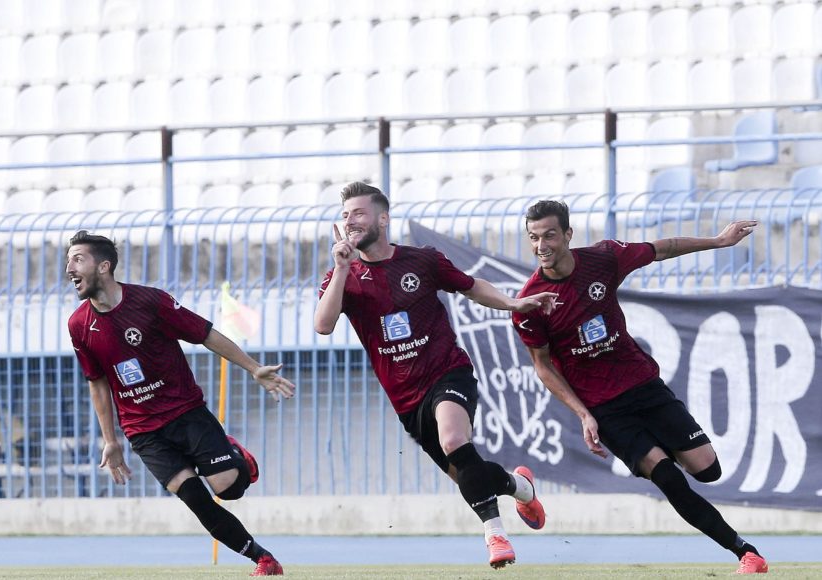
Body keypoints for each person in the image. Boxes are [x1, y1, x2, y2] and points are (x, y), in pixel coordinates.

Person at [512, 200, 768, 575]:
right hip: (604, 408)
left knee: (707, 470)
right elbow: (543, 365)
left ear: (568, 234)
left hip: (643, 385)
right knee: (668, 478)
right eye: (533, 238)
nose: (541, 246)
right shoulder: (530, 303)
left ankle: (663, 448)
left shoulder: (603, 258)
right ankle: (747, 554)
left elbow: (662, 248)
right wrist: (583, 414)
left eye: (549, 235)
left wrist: (718, 241)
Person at [313, 182, 557, 569]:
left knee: (454, 439)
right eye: (345, 215)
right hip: (406, 400)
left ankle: (496, 536)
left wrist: (514, 303)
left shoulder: (422, 260)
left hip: (447, 372)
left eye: (358, 213)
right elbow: (323, 325)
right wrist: (342, 268)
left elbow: (472, 287)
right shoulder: (342, 276)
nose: (350, 221)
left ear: (383, 218)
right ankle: (520, 487)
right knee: (468, 474)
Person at [65, 230, 295, 577]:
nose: (69, 268)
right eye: (68, 261)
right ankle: (264, 560)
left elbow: (205, 333)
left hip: (185, 412)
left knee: (229, 489)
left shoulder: (150, 301)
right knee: (196, 500)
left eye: (77, 259)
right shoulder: (79, 325)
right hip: (143, 431)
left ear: (104, 266)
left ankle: (235, 455)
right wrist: (110, 440)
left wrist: (253, 367)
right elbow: (97, 382)